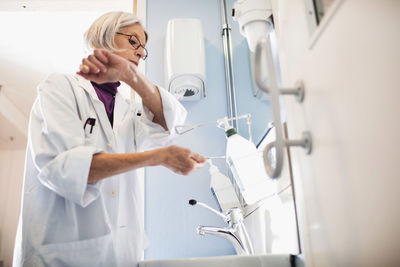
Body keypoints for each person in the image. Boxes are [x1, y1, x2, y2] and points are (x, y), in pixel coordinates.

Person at [13, 11, 206, 266]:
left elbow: (168, 121)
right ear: (104, 37)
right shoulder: (60, 87)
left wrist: (130, 76)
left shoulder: (128, 109)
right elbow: (65, 169)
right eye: (133, 41)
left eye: (143, 48)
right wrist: (157, 157)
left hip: (120, 253)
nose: (140, 51)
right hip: (59, 255)